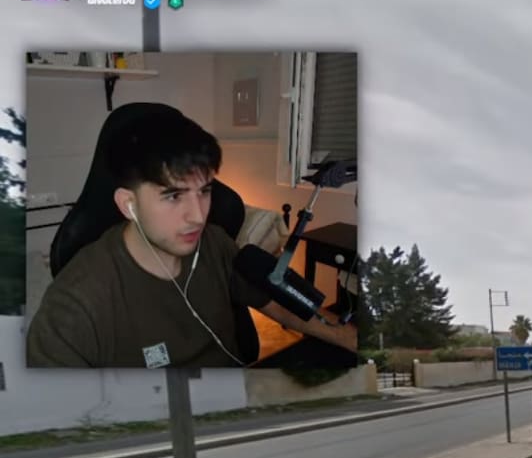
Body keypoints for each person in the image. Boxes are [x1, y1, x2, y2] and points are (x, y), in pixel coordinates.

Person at [26, 109, 358, 368]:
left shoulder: (215, 243)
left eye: (204, 191)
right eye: (173, 196)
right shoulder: (74, 305)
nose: (198, 216)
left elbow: (278, 304)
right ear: (129, 205)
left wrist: (355, 341)